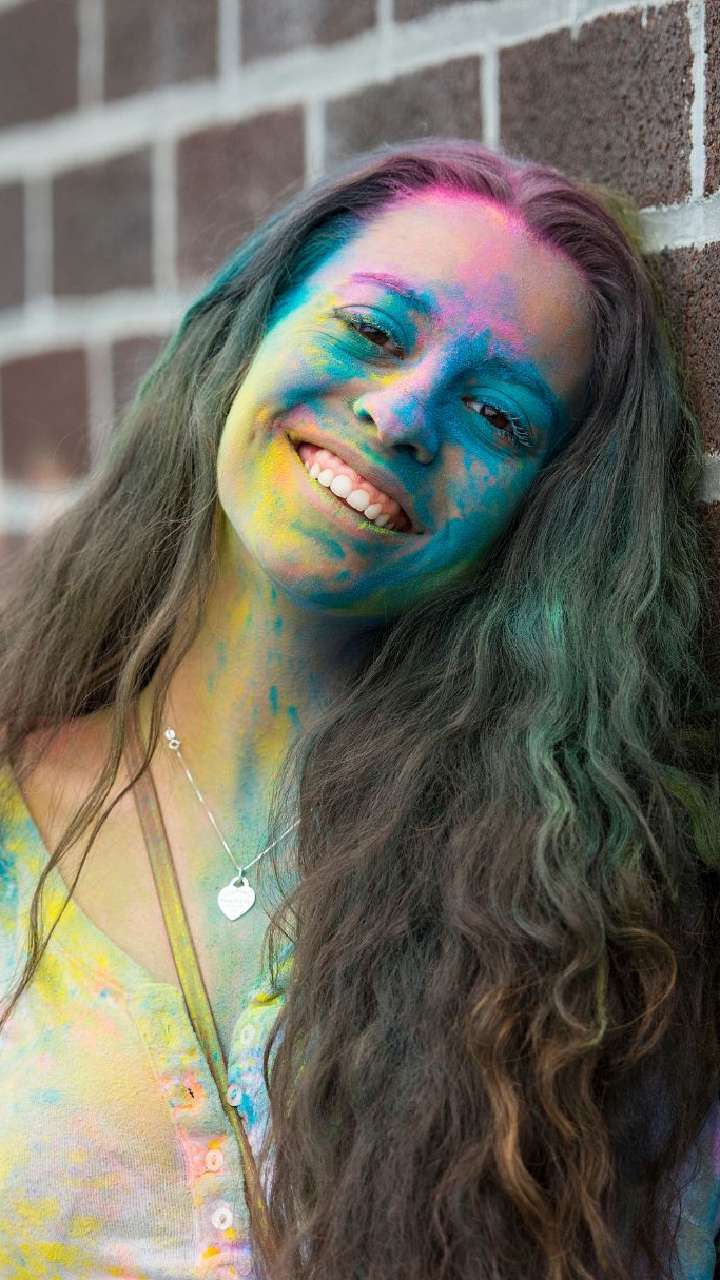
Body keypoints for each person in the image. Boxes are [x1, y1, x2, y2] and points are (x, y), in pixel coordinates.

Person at [0, 137, 718, 1280]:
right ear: (247, 335)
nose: (403, 413)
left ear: (540, 517)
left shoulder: (588, 924)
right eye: (374, 332)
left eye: (497, 415)